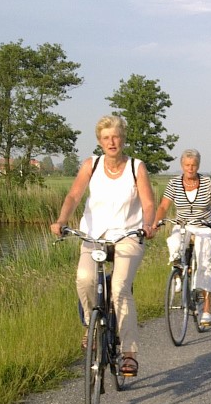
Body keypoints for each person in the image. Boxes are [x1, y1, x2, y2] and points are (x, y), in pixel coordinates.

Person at [50, 115, 156, 378]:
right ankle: (91, 325)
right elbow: (74, 195)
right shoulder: (91, 165)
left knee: (120, 288)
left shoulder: (136, 167)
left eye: (116, 136)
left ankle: (129, 353)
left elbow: (149, 203)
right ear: (99, 141)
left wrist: (149, 224)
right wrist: (62, 220)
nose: (112, 142)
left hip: (127, 235)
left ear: (123, 138)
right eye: (106, 137)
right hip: (94, 235)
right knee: (84, 278)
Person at [154, 149, 211, 328]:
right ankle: (178, 272)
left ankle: (206, 309)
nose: (190, 168)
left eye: (194, 165)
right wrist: (156, 222)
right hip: (183, 225)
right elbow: (163, 206)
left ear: (198, 166)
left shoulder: (206, 181)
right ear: (182, 166)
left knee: (204, 264)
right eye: (187, 165)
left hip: (205, 227)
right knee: (174, 241)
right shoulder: (174, 183)